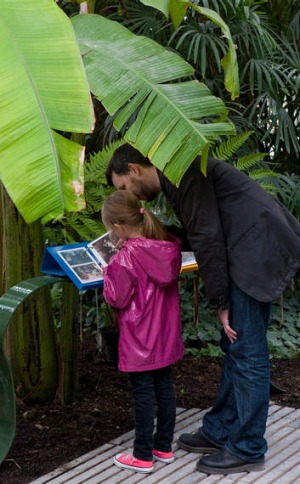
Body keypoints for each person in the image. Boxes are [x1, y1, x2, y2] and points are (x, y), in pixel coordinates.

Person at [105, 143, 300, 475]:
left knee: (247, 350)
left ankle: (248, 447)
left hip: (254, 248)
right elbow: (200, 230)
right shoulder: (176, 173)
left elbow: (208, 236)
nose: (130, 196)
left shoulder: (183, 173)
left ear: (134, 170)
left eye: (123, 186)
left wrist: (221, 302)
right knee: (236, 346)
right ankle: (220, 429)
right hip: (249, 245)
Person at [101, 190, 184, 474]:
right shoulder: (165, 247)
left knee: (143, 393)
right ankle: (163, 447)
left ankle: (142, 456)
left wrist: (106, 273)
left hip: (139, 339)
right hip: (163, 336)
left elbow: (117, 299)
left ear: (119, 228)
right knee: (165, 386)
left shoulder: (123, 259)